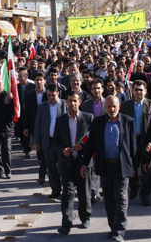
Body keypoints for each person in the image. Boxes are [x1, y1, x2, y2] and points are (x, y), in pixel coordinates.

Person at [80, 96, 136, 242]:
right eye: (109, 107)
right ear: (105, 107)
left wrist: (134, 166)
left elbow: (133, 147)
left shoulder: (128, 121)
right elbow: (90, 145)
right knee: (109, 199)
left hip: (121, 166)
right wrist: (85, 163)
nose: (112, 109)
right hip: (105, 166)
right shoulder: (98, 122)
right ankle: (113, 227)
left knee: (121, 198)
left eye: (114, 106)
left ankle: (119, 231)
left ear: (119, 106)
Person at [52, 91, 93, 234]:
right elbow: (55, 141)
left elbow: (93, 141)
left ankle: (85, 217)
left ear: (80, 102)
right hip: (67, 163)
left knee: (83, 192)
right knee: (68, 193)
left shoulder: (88, 118)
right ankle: (67, 223)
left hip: (83, 163)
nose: (72, 103)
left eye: (75, 101)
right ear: (66, 102)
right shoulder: (60, 120)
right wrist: (63, 150)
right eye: (70, 101)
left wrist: (83, 147)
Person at [119, 80, 151, 207]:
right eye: (136, 89)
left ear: (145, 91)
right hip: (131, 140)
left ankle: (145, 195)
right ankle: (134, 187)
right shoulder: (126, 106)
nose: (138, 92)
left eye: (141, 90)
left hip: (147, 141)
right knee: (132, 167)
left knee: (147, 169)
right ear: (132, 91)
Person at [33, 84, 68, 198]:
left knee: (63, 167)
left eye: (53, 95)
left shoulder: (64, 105)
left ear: (57, 93)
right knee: (51, 167)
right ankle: (55, 190)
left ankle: (67, 189)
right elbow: (38, 125)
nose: (51, 98)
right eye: (48, 96)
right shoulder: (42, 107)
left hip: (62, 141)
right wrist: (36, 141)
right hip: (48, 141)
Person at [23, 72, 48, 184]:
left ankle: (43, 174)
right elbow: (26, 112)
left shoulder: (49, 94)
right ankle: (44, 170)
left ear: (44, 81)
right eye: (37, 80)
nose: (39, 82)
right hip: (35, 127)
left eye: (41, 80)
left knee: (45, 151)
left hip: (47, 127)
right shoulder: (29, 95)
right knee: (39, 151)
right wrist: (26, 127)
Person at [17, 69, 36, 157]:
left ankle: (28, 148)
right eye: (18, 76)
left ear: (26, 77)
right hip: (19, 112)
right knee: (21, 129)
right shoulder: (17, 87)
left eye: (21, 76)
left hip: (29, 111)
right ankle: (24, 144)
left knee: (28, 130)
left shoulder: (32, 86)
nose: (19, 78)